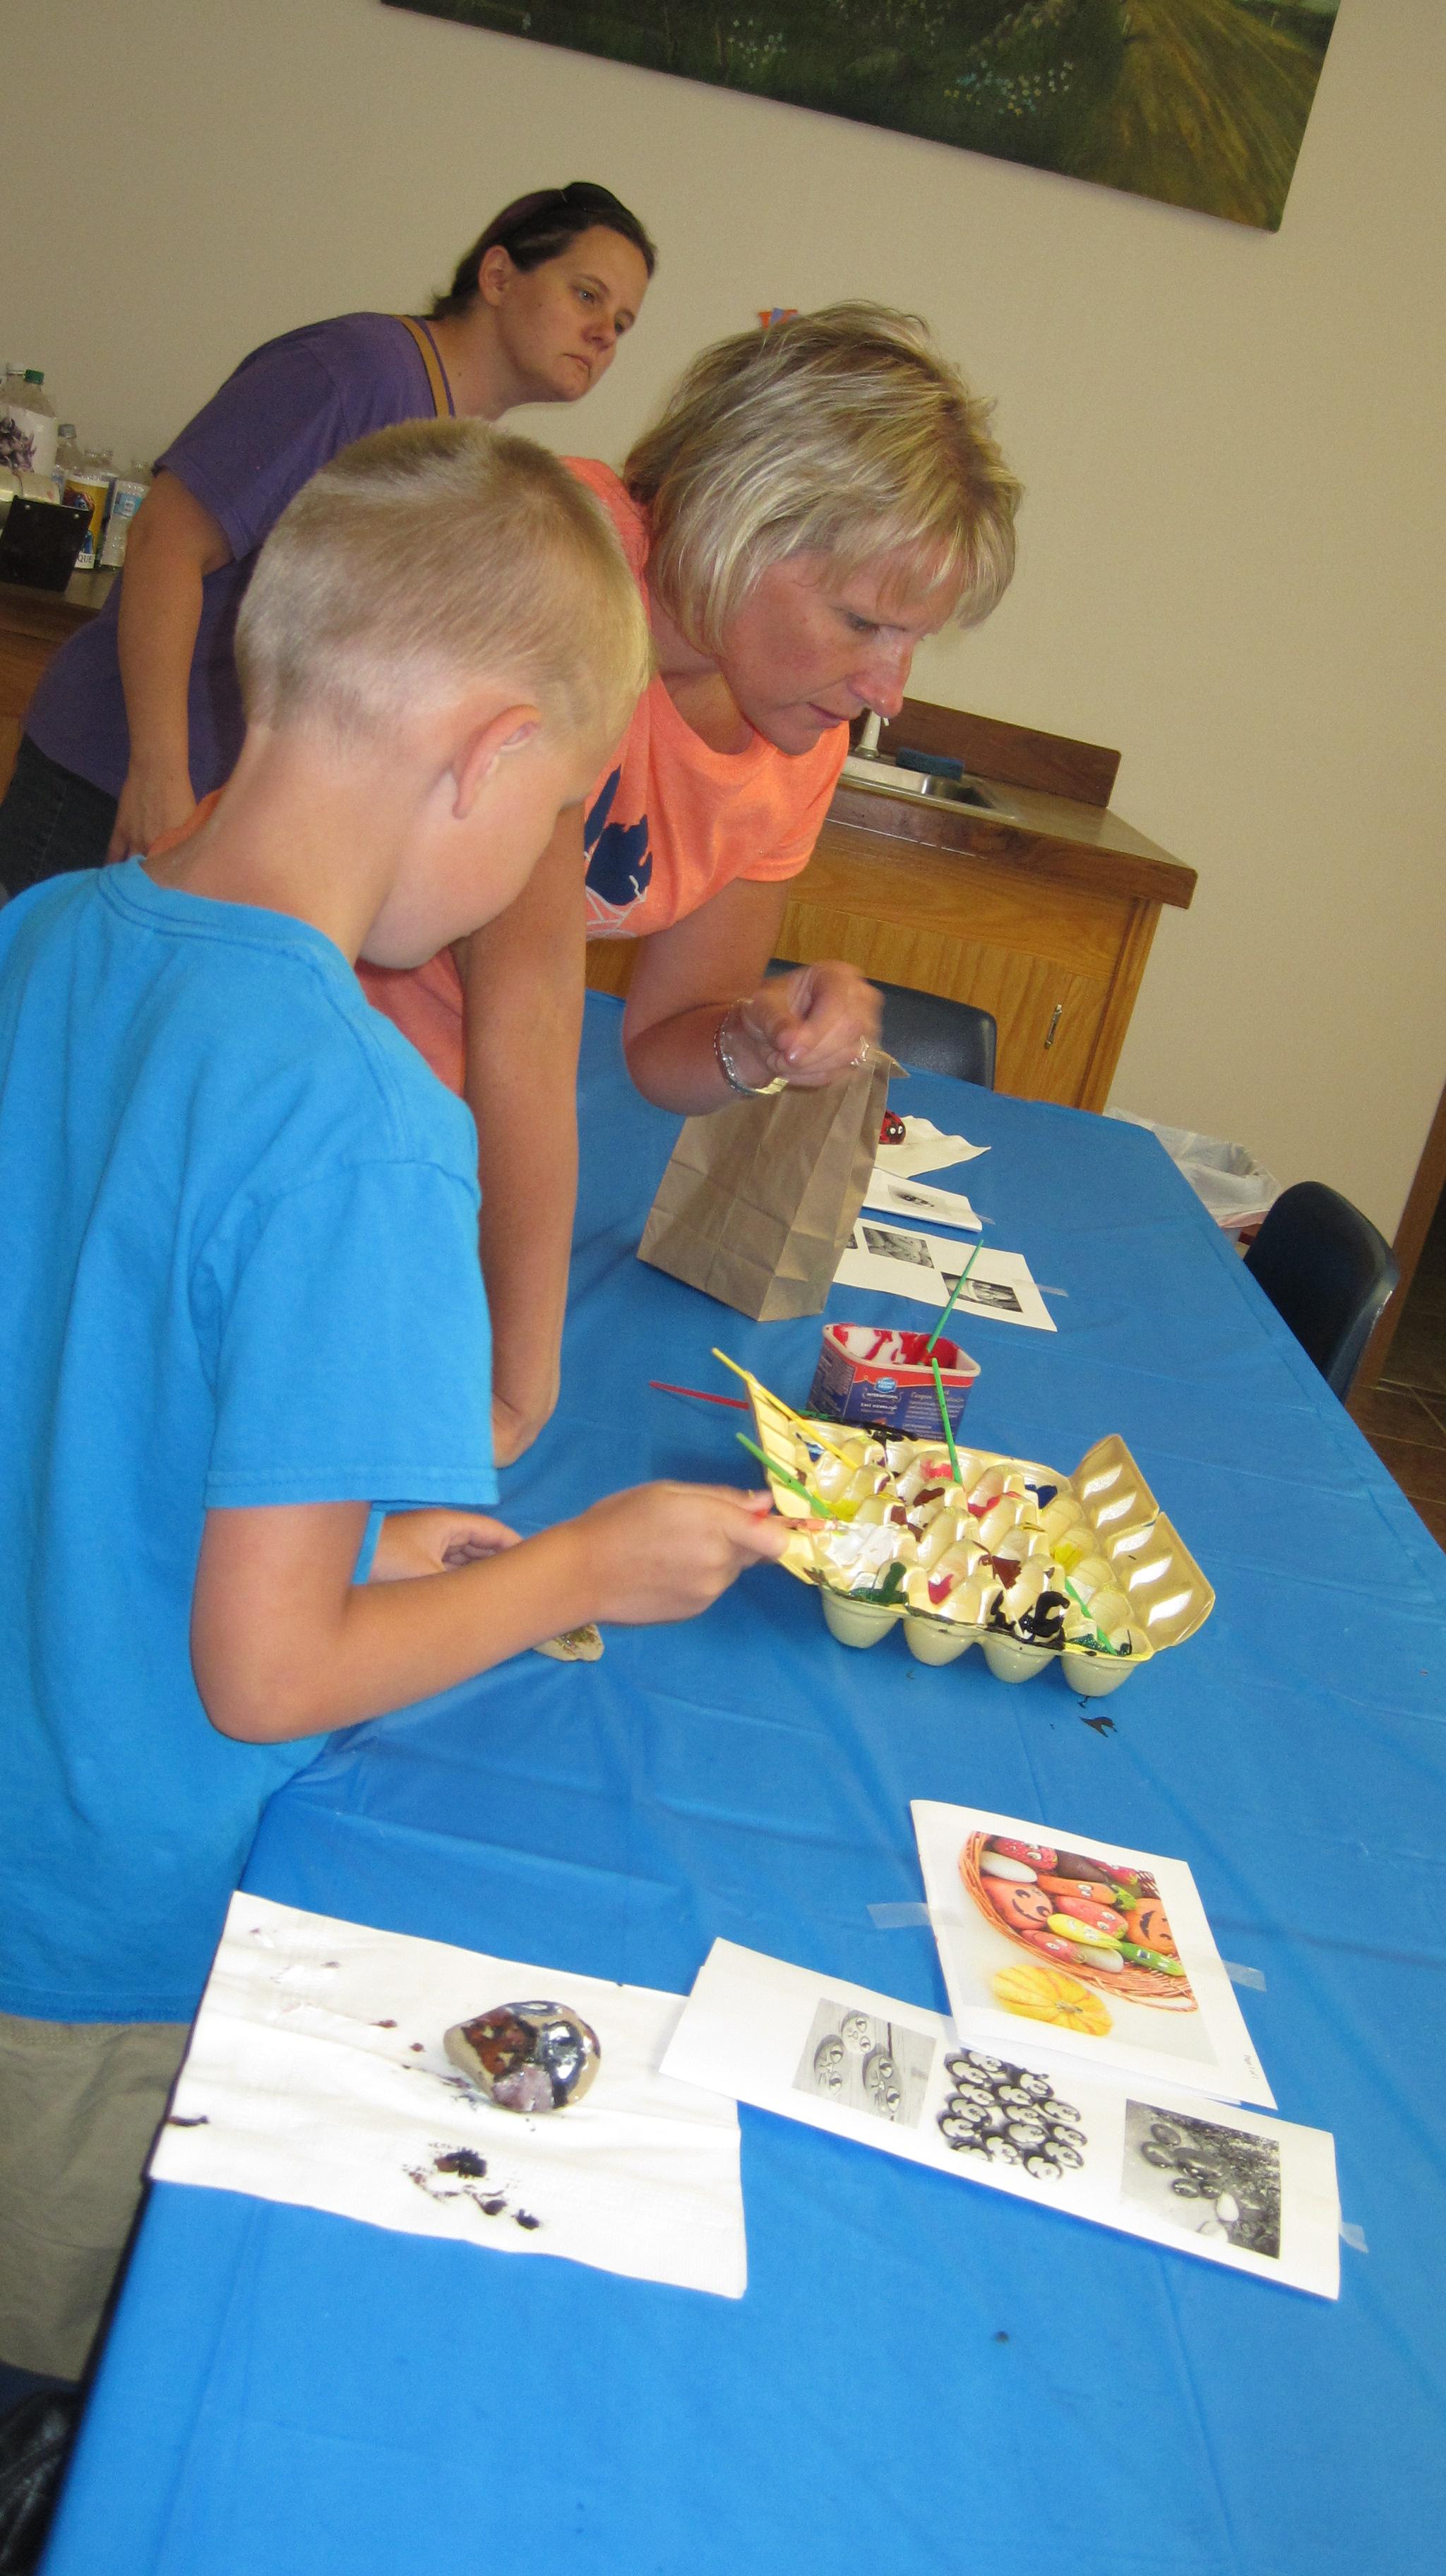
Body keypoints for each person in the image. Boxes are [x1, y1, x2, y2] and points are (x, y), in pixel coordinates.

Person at [0, 417, 790, 2388]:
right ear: (486, 758)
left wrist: (367, 1521)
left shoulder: (50, 934)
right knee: (127, 2392)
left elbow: (96, 1342)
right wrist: (576, 1566)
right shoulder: (365, 1123)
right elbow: (269, 1673)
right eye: (559, 819)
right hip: (99, 1951)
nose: (540, 871)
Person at [362, 304, 1023, 1463]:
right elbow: (525, 1021)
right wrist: (518, 1388)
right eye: (861, 622)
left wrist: (754, 1038)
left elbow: (661, 1043)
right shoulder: (553, 572)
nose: (888, 691)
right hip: (282, 1052)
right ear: (735, 527)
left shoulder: (795, 730)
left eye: (911, 637)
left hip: (426, 1115)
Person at [0, 181, 656, 894]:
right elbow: (165, 538)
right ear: (497, 276)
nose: (604, 334)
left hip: (225, 822)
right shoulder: (355, 371)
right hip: (111, 786)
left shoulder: (461, 448)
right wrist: (158, 769)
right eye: (586, 296)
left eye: (622, 324)